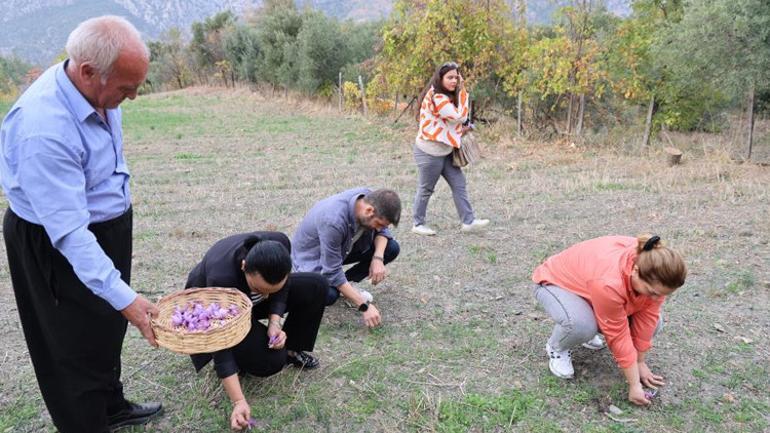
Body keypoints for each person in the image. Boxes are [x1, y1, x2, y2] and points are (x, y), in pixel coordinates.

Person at [0, 16, 164, 433]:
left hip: (103, 230)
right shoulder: (43, 129)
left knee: (105, 330)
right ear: (88, 70)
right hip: (56, 242)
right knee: (70, 347)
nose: (134, 97)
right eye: (127, 89)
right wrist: (130, 301)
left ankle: (111, 406)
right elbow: (70, 235)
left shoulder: (97, 91)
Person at [185, 232, 327, 431]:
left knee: (316, 285)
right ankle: (244, 356)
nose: (267, 295)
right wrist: (238, 401)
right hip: (217, 312)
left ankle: (292, 351)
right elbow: (219, 340)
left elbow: (283, 287)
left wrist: (274, 323)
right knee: (271, 361)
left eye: (271, 290)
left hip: (249, 302)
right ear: (244, 266)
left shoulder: (279, 244)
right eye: (260, 288)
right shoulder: (221, 277)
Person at [531, 234, 687, 406]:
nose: (656, 298)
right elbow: (618, 335)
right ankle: (556, 347)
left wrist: (640, 362)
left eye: (662, 294)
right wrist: (634, 385)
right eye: (653, 292)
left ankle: (586, 324)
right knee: (582, 326)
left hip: (590, 287)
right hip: (555, 283)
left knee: (656, 323)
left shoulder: (652, 269)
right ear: (635, 271)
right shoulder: (610, 282)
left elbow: (647, 320)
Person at [291, 188, 401, 328]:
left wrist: (378, 258)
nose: (379, 229)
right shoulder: (333, 221)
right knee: (329, 295)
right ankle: (340, 288)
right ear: (368, 211)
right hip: (314, 259)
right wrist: (364, 306)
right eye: (378, 224)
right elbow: (332, 271)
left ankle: (346, 286)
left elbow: (384, 231)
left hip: (341, 249)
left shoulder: (370, 199)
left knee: (391, 248)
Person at [411, 62, 489, 236]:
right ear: (440, 78)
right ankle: (418, 223)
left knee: (459, 183)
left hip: (444, 150)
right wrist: (462, 90)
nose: (454, 81)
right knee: (426, 188)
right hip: (430, 152)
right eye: (450, 77)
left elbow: (449, 123)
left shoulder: (445, 95)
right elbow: (459, 117)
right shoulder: (437, 97)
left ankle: (468, 221)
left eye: (456, 77)